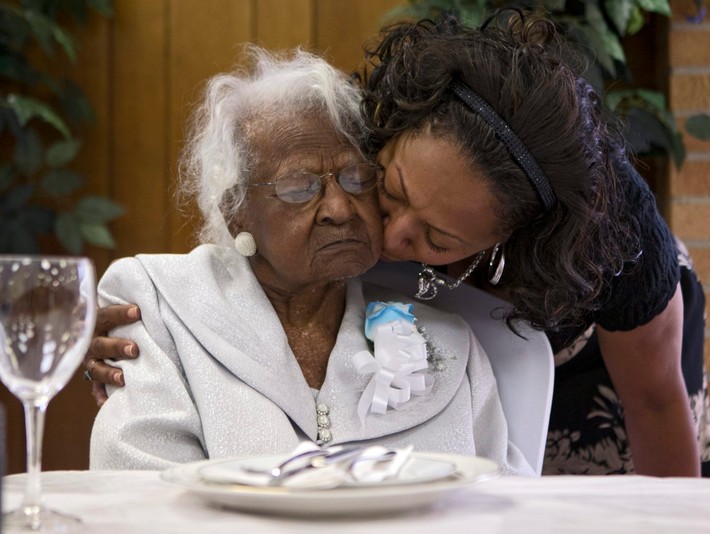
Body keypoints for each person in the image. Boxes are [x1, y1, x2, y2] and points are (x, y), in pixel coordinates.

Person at [86, 11, 710, 477]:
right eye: (388, 186)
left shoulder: (614, 247)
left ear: (502, 238)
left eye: (435, 235)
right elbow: (247, 199)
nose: (383, 232)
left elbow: (658, 405)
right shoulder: (367, 126)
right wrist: (160, 322)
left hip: (599, 350)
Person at [89, 46, 532, 476]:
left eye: (356, 177)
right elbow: (138, 491)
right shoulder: (160, 305)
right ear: (236, 210)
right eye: (299, 187)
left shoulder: (449, 342)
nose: (339, 208)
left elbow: (498, 500)